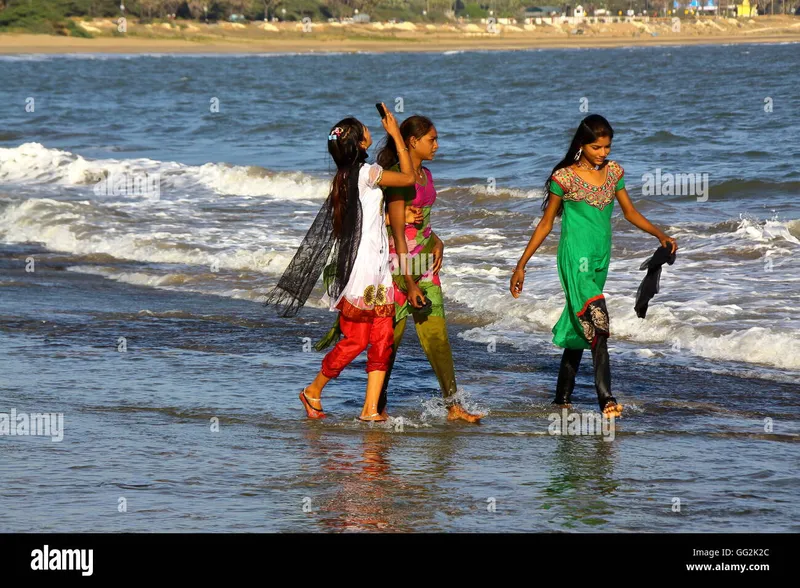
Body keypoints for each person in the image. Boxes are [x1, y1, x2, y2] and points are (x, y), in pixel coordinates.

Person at [510, 114, 677, 417]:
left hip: (601, 259)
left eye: (607, 147)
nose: (603, 153)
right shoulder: (565, 178)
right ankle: (607, 400)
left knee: (583, 325)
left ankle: (561, 399)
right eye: (597, 147)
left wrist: (660, 234)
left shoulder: (614, 173)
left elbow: (629, 212)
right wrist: (521, 265)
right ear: (582, 144)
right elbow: (546, 224)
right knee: (599, 322)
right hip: (575, 258)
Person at [265, 107, 415, 421]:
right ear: (360, 143)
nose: (368, 132)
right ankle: (314, 391)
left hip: (374, 268)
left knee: (378, 336)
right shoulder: (366, 173)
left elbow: (362, 218)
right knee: (364, 337)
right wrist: (396, 133)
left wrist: (387, 217)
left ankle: (367, 408)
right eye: (364, 130)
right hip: (365, 273)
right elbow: (408, 176)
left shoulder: (346, 176)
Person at [376, 115, 482, 423]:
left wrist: (439, 242)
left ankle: (454, 406)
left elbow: (422, 224)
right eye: (431, 139)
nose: (436, 145)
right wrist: (408, 283)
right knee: (389, 343)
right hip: (399, 269)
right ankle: (377, 406)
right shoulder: (398, 176)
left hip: (425, 268)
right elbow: (398, 234)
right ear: (412, 142)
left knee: (438, 339)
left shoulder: (427, 175)